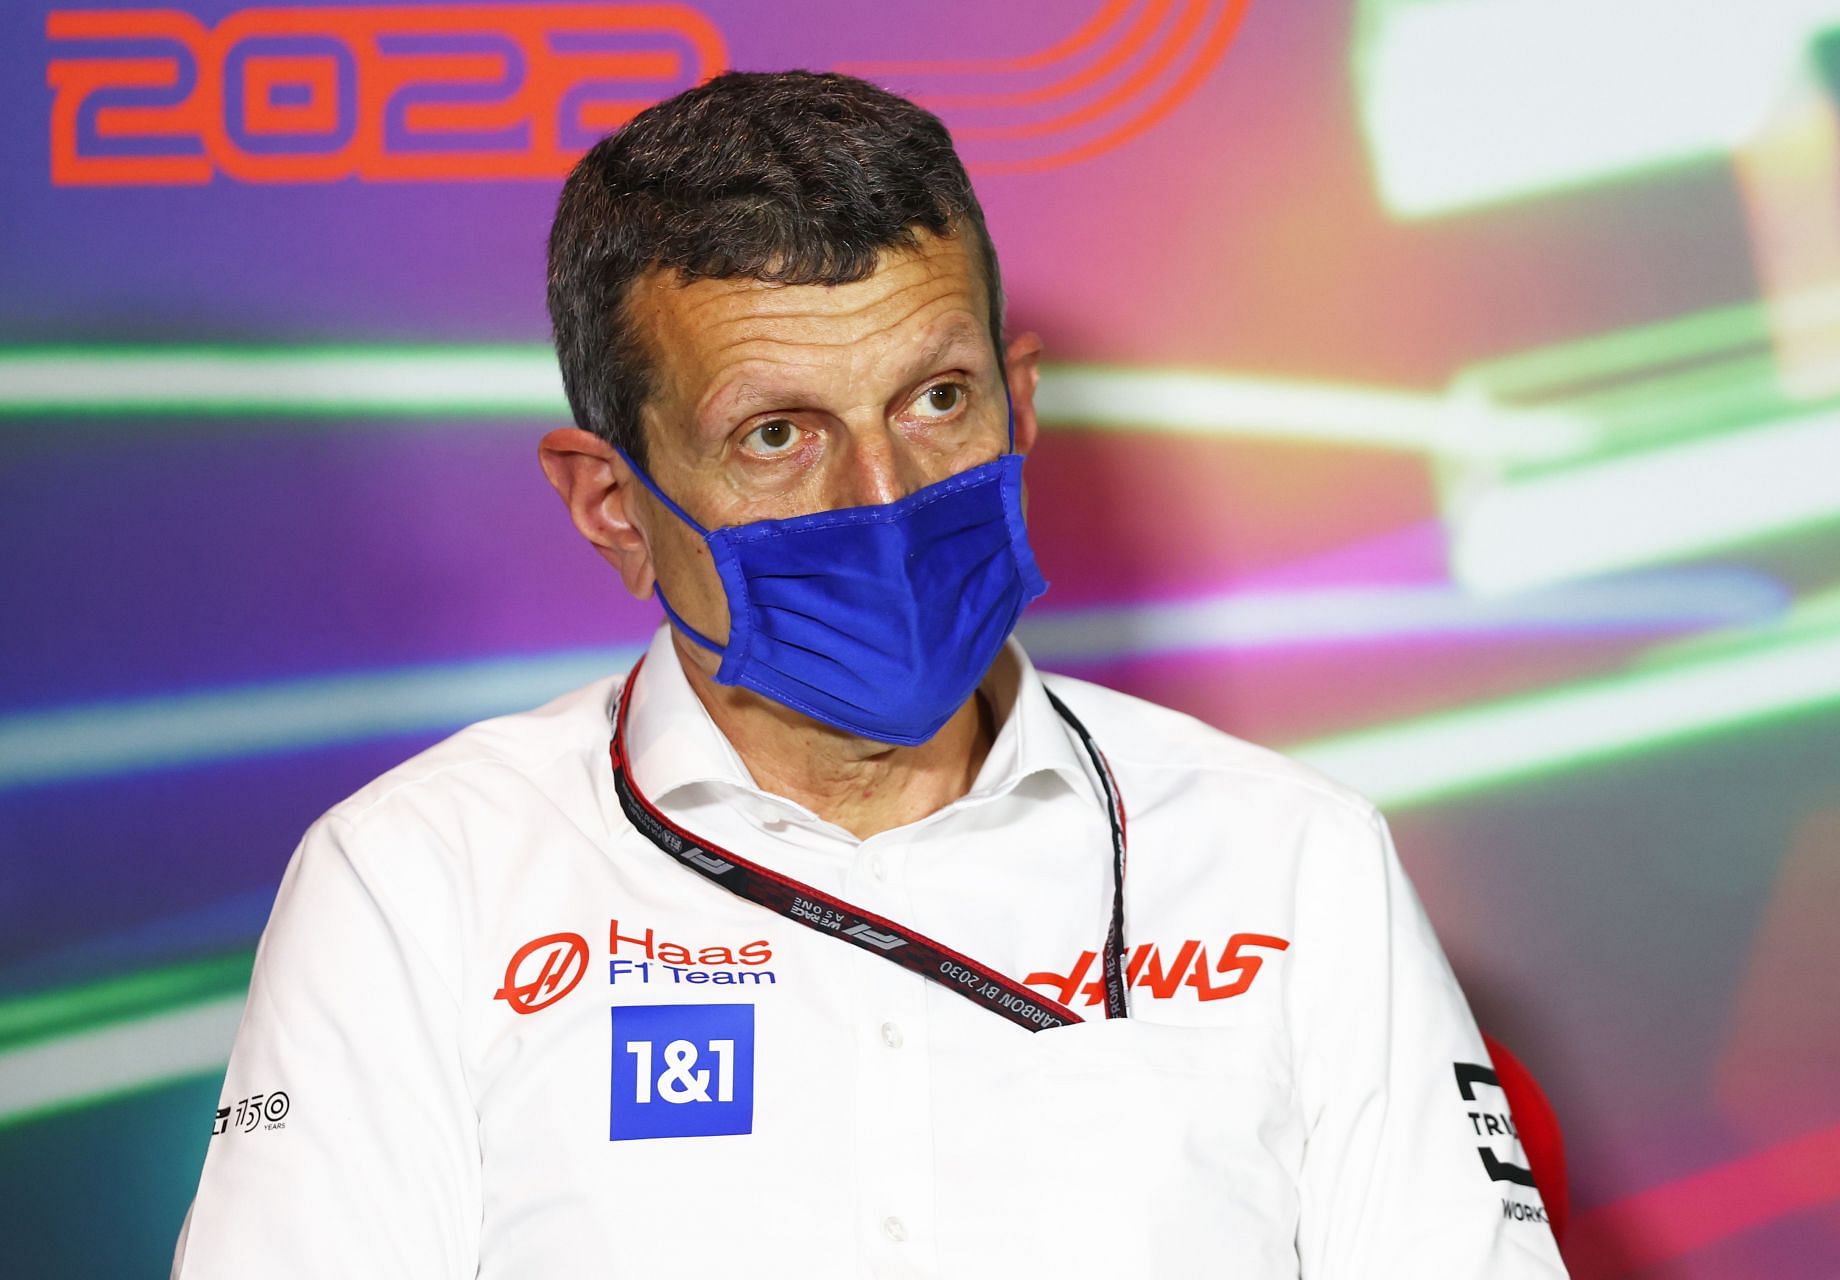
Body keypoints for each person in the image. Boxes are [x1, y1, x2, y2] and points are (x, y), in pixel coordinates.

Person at [172, 70, 1569, 1279]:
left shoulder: (1292, 864)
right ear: (612, 505)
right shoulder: (422, 885)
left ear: (1018, 409)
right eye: (779, 433)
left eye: (937, 399)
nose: (884, 496)